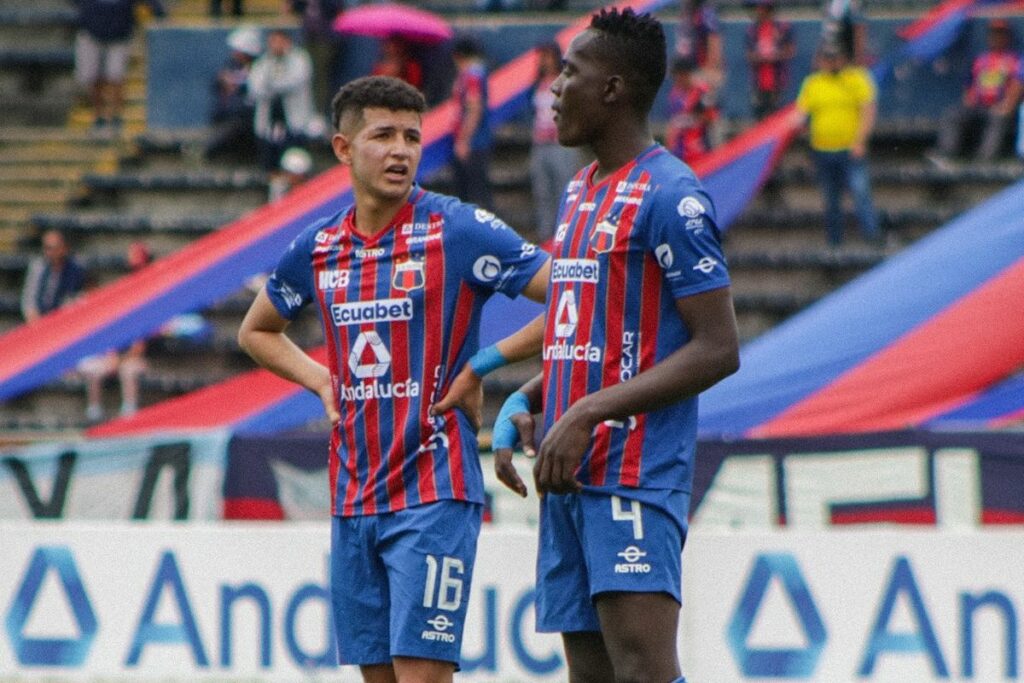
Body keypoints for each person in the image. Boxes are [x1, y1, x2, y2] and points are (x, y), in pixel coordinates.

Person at [237, 75, 550, 681]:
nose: (402, 150)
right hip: (354, 495)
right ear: (343, 148)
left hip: (433, 490)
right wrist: (323, 380)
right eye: (382, 135)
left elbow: (575, 293)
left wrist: (484, 365)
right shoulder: (320, 245)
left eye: (412, 135)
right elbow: (256, 330)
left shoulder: (456, 229)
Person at [464, 9, 740, 682]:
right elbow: (583, 333)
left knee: (643, 670)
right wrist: (524, 400)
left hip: (633, 475)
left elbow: (719, 347)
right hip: (568, 474)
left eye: (569, 73)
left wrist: (586, 412)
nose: (554, 89)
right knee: (591, 676)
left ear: (613, 89)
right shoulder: (579, 191)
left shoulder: (672, 193)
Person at [795, 40, 881, 247]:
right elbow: (801, 115)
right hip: (822, 150)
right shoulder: (813, 83)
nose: (831, 63)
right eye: (827, 58)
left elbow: (868, 110)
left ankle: (873, 239)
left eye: (835, 58)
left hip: (849, 149)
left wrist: (860, 141)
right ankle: (835, 243)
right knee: (831, 199)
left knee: (860, 193)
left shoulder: (857, 78)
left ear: (843, 59)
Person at [929, 19, 1023, 166]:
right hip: (979, 105)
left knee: (996, 119)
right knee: (954, 114)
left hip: (1001, 106)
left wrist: (1007, 106)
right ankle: (946, 154)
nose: (997, 38)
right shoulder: (981, 59)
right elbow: (969, 84)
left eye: (1001, 34)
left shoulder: (1015, 60)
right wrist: (969, 101)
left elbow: (1018, 83)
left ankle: (984, 160)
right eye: (994, 34)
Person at [79, 242, 152, 422]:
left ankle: (129, 412)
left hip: (135, 359)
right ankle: (94, 411)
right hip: (115, 357)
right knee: (93, 368)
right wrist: (111, 357)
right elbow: (109, 340)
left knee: (129, 370)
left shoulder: (145, 308)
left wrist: (118, 360)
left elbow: (139, 347)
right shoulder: (121, 308)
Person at [73, 0, 166, 134]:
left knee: (116, 76)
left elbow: (154, 7)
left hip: (120, 35)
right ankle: (99, 118)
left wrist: (158, 13)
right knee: (92, 77)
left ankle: (116, 117)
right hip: (92, 33)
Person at [248, 30, 321, 197]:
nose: (276, 46)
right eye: (272, 42)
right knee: (270, 160)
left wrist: (271, 84)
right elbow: (255, 88)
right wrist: (271, 83)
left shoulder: (299, 59)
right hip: (270, 121)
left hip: (294, 120)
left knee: (295, 158)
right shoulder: (263, 62)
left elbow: (294, 81)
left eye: (279, 41)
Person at [529, 42, 582, 241]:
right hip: (540, 143)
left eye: (547, 56)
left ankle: (565, 234)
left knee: (563, 187)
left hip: (560, 142)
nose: (544, 61)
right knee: (542, 190)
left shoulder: (566, 82)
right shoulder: (537, 84)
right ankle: (545, 235)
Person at [203, 26, 261, 163]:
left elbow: (253, 92)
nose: (235, 53)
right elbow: (217, 84)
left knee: (235, 128)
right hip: (227, 114)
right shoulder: (232, 65)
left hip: (247, 118)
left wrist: (237, 86)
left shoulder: (259, 67)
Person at [450, 36, 494, 210]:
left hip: (473, 142)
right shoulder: (476, 73)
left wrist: (463, 140)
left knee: (473, 191)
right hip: (476, 140)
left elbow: (474, 108)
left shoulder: (471, 76)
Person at [20, 229, 87, 323]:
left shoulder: (75, 268)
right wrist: (35, 320)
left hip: (64, 320)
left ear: (64, 248)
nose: (51, 253)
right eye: (47, 248)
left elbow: (78, 297)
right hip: (39, 319)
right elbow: (29, 297)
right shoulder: (38, 267)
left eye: (55, 248)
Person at [745, 0, 795, 120]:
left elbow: (791, 51)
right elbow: (749, 54)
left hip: (777, 81)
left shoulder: (783, 28)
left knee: (777, 115)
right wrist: (760, 57)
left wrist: (774, 56)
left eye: (761, 8)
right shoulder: (752, 30)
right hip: (758, 81)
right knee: (759, 116)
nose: (758, 11)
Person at [665, 57, 717, 164]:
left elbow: (711, 118)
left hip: (699, 149)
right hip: (679, 151)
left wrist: (690, 120)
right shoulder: (674, 94)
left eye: (679, 75)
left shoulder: (702, 92)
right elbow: (672, 123)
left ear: (686, 74)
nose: (676, 79)